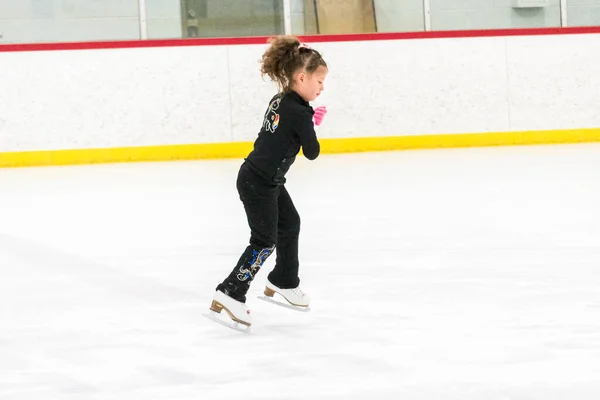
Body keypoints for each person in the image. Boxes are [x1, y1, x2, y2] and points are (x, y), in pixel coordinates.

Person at [208, 35, 329, 330]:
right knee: (263, 242)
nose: (322, 88)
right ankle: (230, 292)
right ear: (301, 77)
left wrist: (308, 121)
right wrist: (312, 124)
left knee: (289, 223)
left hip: (260, 177)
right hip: (260, 183)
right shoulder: (301, 112)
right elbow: (312, 152)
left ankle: (283, 280)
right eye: (319, 81)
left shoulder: (281, 99)